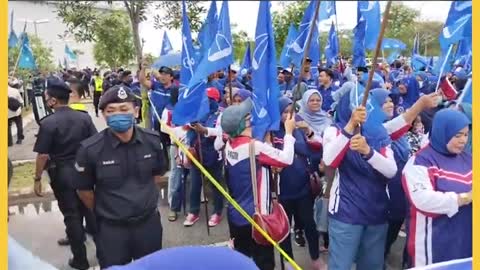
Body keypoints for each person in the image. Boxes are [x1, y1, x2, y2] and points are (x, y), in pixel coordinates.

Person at [73, 85, 166, 269]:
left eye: (124, 109)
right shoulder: (90, 149)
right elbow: (84, 191)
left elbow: (156, 176)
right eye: (111, 111)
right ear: (103, 115)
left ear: (136, 110)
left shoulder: (153, 141)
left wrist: (142, 200)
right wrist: (109, 211)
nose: (118, 114)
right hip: (111, 230)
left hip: (148, 225)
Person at [323, 88, 399, 270]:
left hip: (376, 212)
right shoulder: (334, 131)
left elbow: (391, 170)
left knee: (371, 265)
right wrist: (350, 127)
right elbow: (329, 160)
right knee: (340, 265)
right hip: (346, 213)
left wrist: (368, 151)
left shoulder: (379, 132)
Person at [221, 98, 296, 270]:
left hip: (236, 216)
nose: (252, 119)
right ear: (243, 125)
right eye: (248, 117)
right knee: (264, 263)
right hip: (257, 219)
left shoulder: (229, 145)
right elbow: (287, 159)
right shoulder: (254, 147)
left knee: (243, 261)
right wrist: (289, 133)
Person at [32, 79, 97, 270]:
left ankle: (80, 260)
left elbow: (43, 155)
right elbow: (94, 144)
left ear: (52, 101)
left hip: (62, 174)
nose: (45, 101)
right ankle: (104, 253)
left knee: (71, 215)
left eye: (46, 98)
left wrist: (37, 179)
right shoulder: (84, 117)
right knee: (89, 211)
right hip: (84, 171)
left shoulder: (48, 123)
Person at [402, 109, 472, 268]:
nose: (463, 140)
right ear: (442, 132)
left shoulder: (468, 158)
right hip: (432, 243)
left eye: (466, 135)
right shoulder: (420, 162)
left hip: (463, 240)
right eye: (457, 135)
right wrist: (465, 198)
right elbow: (422, 200)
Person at [272, 97, 322, 269]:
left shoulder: (299, 129)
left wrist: (308, 131)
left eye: (291, 112)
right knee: (284, 229)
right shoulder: (271, 133)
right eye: (284, 112)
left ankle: (315, 258)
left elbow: (315, 152)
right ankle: (288, 261)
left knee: (310, 224)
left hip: (303, 189)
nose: (288, 116)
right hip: (282, 191)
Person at [184, 87, 225, 227]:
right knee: (195, 184)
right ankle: (194, 211)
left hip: (213, 154)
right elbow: (186, 128)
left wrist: (205, 130)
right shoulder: (196, 113)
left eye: (208, 100)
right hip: (197, 153)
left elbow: (220, 131)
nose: (205, 103)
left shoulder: (221, 115)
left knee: (216, 185)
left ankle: (217, 211)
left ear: (215, 100)